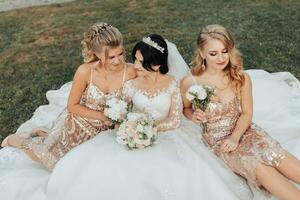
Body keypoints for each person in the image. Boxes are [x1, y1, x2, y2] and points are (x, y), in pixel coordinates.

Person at [43, 34, 252, 200]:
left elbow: (175, 119)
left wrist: (148, 128)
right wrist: (130, 126)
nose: (134, 66)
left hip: (168, 135)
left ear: (156, 65)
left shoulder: (172, 84)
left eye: (140, 62)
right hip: (132, 133)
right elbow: (121, 111)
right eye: (134, 60)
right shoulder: (131, 83)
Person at [181, 24, 300, 200]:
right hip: (219, 142)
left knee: (274, 153)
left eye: (224, 51)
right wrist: (194, 116)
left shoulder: (240, 77)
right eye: (213, 54)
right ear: (201, 52)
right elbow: (186, 109)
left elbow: (247, 113)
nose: (221, 58)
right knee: (259, 166)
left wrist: (235, 137)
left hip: (244, 130)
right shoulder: (190, 82)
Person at [1, 22, 136, 171]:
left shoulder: (130, 72)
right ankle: (16, 140)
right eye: (111, 57)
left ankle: (42, 132)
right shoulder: (85, 71)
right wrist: (103, 116)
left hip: (103, 134)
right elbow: (72, 106)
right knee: (52, 162)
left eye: (120, 54)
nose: (117, 61)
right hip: (76, 125)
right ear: (97, 54)